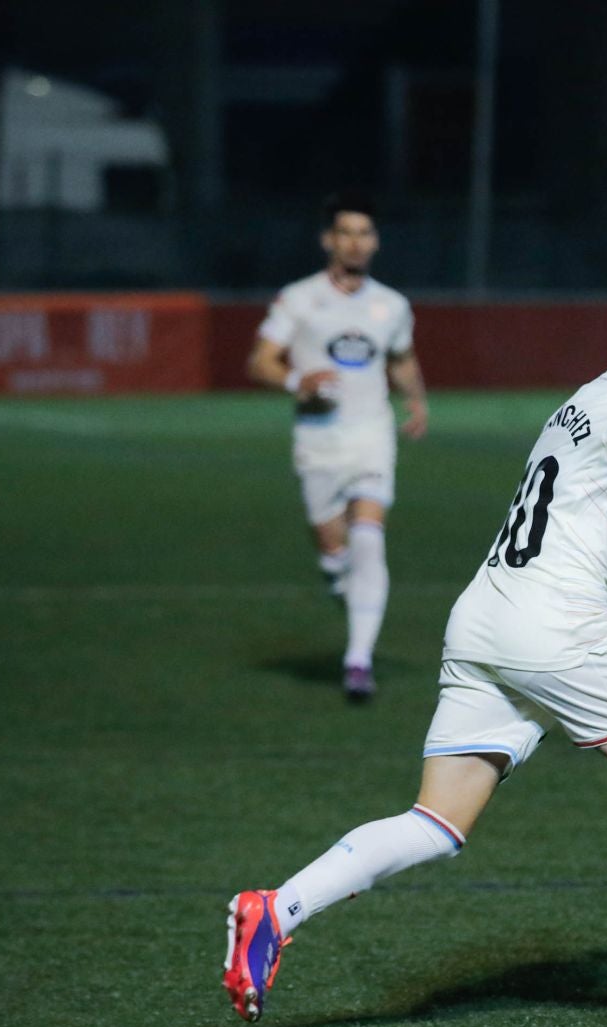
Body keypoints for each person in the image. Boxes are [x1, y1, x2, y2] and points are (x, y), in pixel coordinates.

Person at [224, 267, 607, 1024]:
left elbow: (586, 512)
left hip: (484, 620)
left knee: (435, 823)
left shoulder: (585, 401)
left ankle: (275, 909)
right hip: (556, 627)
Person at [247, 191, 429, 701]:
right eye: (346, 232)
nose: (356, 241)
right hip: (318, 441)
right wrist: (296, 381)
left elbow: (400, 358)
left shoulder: (391, 305)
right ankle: (344, 587)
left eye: (365, 233)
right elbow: (261, 361)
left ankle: (357, 662)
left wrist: (416, 401)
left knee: (369, 538)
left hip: (371, 435)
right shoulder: (299, 298)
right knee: (334, 553)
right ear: (328, 239)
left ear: (375, 241)